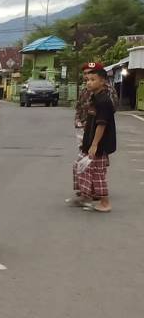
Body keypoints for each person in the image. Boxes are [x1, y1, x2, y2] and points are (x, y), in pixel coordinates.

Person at [71, 65, 116, 212]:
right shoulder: (94, 97)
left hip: (99, 143)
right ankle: (85, 196)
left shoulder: (104, 100)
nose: (88, 82)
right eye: (87, 79)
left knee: (97, 173)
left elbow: (101, 125)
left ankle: (105, 203)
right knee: (81, 167)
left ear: (103, 81)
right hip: (89, 140)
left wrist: (95, 144)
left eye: (93, 79)